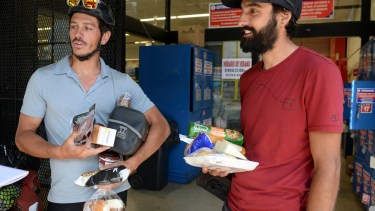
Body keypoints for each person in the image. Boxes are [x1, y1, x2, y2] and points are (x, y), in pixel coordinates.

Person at [15, 1, 170, 210]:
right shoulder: (43, 78)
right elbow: (23, 136)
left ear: (104, 37)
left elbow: (161, 125)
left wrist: (132, 164)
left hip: (112, 192)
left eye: (87, 28)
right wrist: (60, 151)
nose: (78, 34)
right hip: (65, 197)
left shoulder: (122, 82)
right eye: (73, 26)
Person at [203, 0, 344, 210]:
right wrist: (225, 161)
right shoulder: (248, 79)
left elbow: (328, 165)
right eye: (242, 12)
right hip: (233, 203)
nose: (242, 19)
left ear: (283, 16)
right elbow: (256, 142)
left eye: (253, 11)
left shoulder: (318, 72)